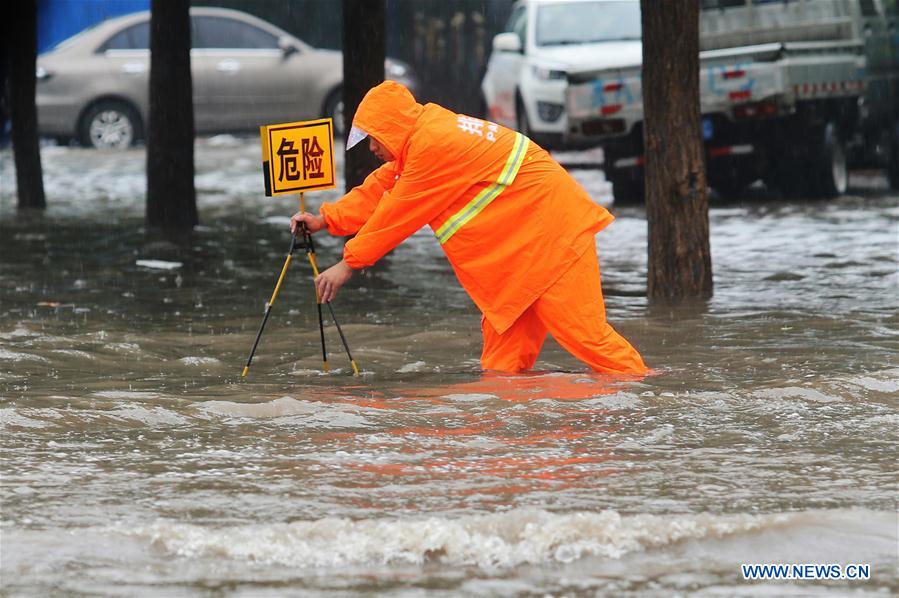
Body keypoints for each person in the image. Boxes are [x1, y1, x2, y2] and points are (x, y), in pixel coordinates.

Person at [290, 81, 646, 375]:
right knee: (502, 369)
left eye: (374, 138)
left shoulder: (432, 144)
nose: (371, 148)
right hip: (524, 254)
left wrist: (347, 264)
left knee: (588, 339)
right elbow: (383, 187)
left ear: (392, 128)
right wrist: (326, 220)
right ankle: (505, 451)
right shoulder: (423, 138)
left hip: (553, 238)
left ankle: (651, 401)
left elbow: (397, 212)